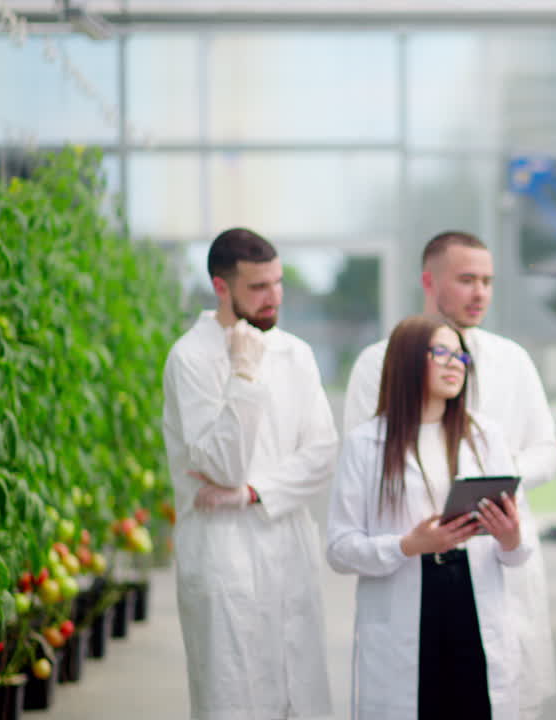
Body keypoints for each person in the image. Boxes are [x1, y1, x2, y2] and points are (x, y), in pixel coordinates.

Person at [342, 231, 556, 717]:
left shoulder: (511, 360)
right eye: (466, 279)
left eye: (487, 280)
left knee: (493, 693)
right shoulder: (377, 363)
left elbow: (547, 451)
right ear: (429, 281)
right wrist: (410, 537)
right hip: (406, 573)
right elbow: (367, 467)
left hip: (487, 561)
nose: (480, 292)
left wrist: (488, 481)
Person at [161, 227, 336, 720]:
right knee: (231, 696)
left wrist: (254, 492)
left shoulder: (296, 354)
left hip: (287, 547)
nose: (273, 297)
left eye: (277, 283)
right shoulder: (190, 358)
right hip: (224, 554)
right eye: (258, 287)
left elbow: (322, 453)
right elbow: (223, 464)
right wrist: (243, 376)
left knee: (299, 693)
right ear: (221, 287)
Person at [327, 314, 533, 720]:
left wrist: (510, 537)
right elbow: (339, 549)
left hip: (471, 607)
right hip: (406, 608)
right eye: (441, 352)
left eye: (460, 356)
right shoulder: (367, 444)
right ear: (405, 360)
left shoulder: (485, 436)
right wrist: (409, 545)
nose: (454, 363)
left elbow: (520, 548)